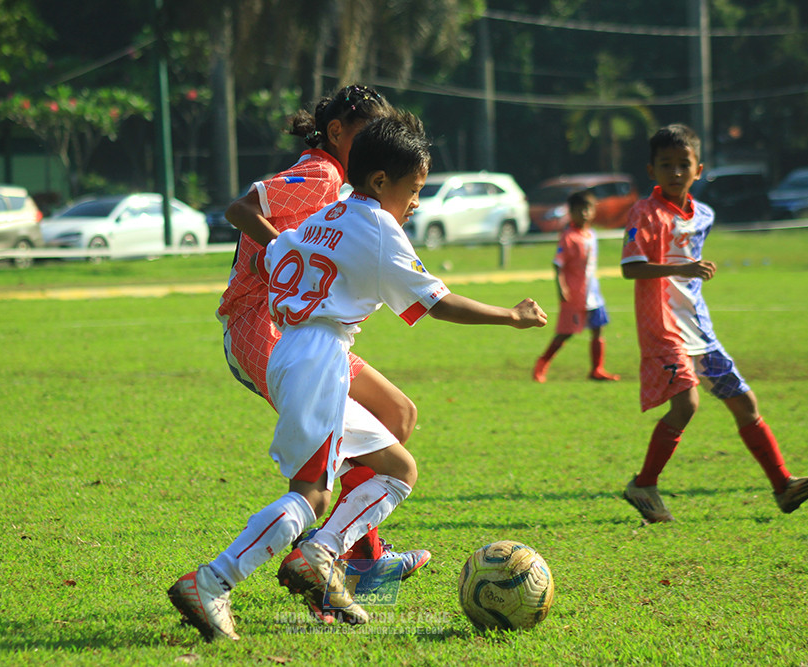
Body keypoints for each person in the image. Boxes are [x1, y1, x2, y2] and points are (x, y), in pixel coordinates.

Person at [168, 113, 548, 641]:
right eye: (413, 190)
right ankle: (211, 582)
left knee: (397, 467)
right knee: (312, 496)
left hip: (298, 354)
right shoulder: (378, 228)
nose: (416, 202)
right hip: (318, 361)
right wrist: (511, 315)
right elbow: (438, 304)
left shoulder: (331, 215)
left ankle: (321, 554)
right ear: (379, 182)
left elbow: (278, 253)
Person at [212, 84, 430, 584]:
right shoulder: (320, 173)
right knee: (325, 464)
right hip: (260, 324)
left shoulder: (349, 188)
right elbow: (240, 209)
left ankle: (350, 553)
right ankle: (331, 561)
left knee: (396, 414)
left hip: (298, 327)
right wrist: (287, 251)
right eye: (367, 132)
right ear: (336, 132)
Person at [619, 123, 808, 523]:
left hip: (700, 329)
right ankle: (644, 484)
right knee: (687, 403)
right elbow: (630, 268)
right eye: (666, 165)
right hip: (663, 328)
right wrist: (681, 267)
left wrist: (688, 272)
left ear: (698, 169)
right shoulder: (645, 213)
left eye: (684, 164)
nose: (676, 172)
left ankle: (783, 486)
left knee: (745, 403)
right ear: (652, 171)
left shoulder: (703, 214)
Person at [533, 190, 620, 382]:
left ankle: (597, 369)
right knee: (565, 333)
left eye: (587, 209)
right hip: (575, 294)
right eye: (579, 210)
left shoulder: (591, 234)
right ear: (571, 212)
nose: (584, 214)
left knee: (598, 328)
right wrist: (561, 288)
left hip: (593, 293)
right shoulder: (568, 236)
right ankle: (541, 364)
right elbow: (557, 264)